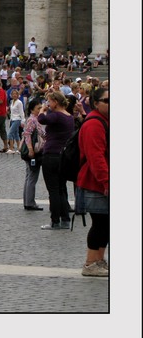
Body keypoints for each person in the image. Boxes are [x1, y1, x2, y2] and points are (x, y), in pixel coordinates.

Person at [76, 86, 109, 277]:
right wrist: (107, 182)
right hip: (94, 182)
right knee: (100, 223)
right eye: (107, 101)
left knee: (106, 223)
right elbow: (96, 157)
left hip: (100, 181)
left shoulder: (105, 120)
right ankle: (90, 263)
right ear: (96, 103)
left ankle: (99, 260)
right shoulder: (94, 124)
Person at [38, 91, 76, 230]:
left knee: (53, 190)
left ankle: (55, 221)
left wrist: (42, 110)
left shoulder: (56, 116)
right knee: (61, 189)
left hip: (51, 155)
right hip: (63, 156)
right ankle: (65, 219)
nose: (48, 104)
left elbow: (41, 119)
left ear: (55, 101)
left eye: (49, 101)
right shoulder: (69, 117)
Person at [22, 99, 46, 211]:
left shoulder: (34, 119)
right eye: (38, 108)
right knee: (32, 176)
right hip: (33, 152)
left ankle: (28, 201)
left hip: (34, 151)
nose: (40, 109)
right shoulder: (32, 120)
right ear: (32, 109)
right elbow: (27, 135)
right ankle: (30, 202)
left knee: (29, 176)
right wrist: (31, 149)